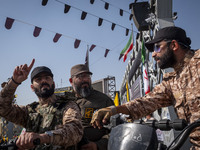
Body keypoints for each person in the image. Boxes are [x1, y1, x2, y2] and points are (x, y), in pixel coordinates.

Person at [91, 26, 200, 149]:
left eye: (157, 47)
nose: (153, 54)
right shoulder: (171, 81)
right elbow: (145, 102)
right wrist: (114, 110)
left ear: (174, 45)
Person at [0, 59, 83, 150]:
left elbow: (75, 131)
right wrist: (14, 82)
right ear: (32, 87)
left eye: (47, 78)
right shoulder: (29, 111)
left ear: (53, 84)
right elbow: (3, 108)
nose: (44, 81)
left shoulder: (68, 106)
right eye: (38, 79)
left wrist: (43, 138)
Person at [69, 64, 114, 150]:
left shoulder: (104, 100)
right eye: (80, 77)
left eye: (88, 76)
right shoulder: (66, 101)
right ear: (71, 81)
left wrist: (98, 145)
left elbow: (116, 129)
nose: (85, 80)